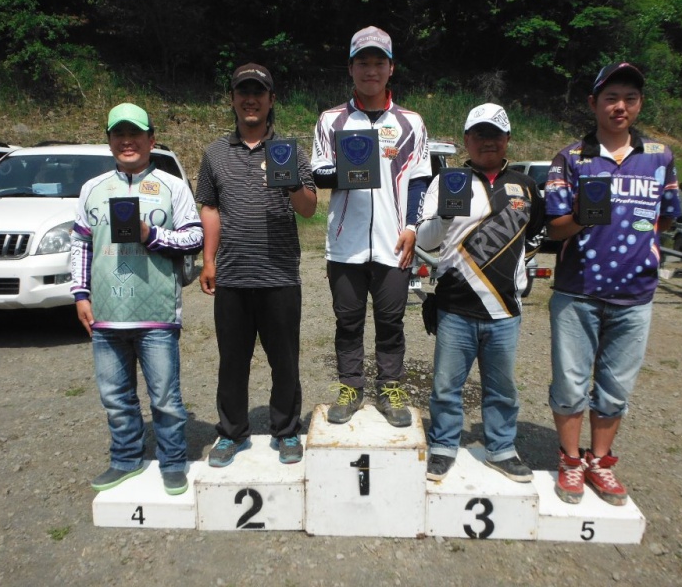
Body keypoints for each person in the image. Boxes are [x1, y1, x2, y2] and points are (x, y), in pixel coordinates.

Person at [544, 62, 682, 505]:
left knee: (615, 387)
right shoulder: (571, 157)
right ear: (593, 103)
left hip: (635, 294)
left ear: (639, 104)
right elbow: (554, 229)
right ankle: (570, 460)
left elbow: (668, 218)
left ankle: (600, 462)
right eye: (611, 97)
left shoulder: (660, 156)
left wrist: (646, 253)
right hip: (577, 291)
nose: (620, 106)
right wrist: (582, 214)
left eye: (630, 98)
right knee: (569, 383)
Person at [71, 103, 203, 495]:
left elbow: (194, 236)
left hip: (157, 313)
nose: (127, 141)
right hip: (107, 314)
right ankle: (125, 459)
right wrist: (80, 294)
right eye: (118, 134)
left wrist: (152, 235)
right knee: (115, 398)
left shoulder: (172, 186)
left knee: (165, 398)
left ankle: (173, 462)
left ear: (151, 139)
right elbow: (80, 244)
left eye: (135, 134)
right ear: (109, 140)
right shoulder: (91, 189)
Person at [196, 63, 317, 467]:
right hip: (231, 275)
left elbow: (309, 209)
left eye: (259, 92)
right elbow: (210, 208)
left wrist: (291, 183)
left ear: (271, 100)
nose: (251, 99)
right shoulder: (214, 153)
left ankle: (286, 431)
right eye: (243, 92)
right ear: (232, 99)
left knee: (285, 360)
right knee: (232, 361)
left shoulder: (290, 151)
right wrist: (208, 260)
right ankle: (231, 433)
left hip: (280, 275)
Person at [417, 103, 544, 482]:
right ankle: (442, 445)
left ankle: (502, 449)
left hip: (505, 308)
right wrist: (441, 215)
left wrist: (520, 272)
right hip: (455, 305)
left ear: (507, 140)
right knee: (445, 386)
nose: (487, 142)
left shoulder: (526, 185)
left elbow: (538, 232)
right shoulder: (447, 180)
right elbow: (425, 240)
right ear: (466, 140)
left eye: (495, 135)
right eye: (479, 134)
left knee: (502, 388)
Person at [311, 26, 431, 427]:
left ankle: (390, 386)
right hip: (344, 243)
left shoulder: (411, 122)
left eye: (379, 62)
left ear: (391, 68)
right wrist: (348, 168)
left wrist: (413, 227)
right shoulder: (331, 120)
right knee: (347, 320)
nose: (371, 69)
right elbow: (319, 173)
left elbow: (418, 180)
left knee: (391, 321)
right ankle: (350, 385)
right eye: (363, 61)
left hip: (394, 241)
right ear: (351, 68)